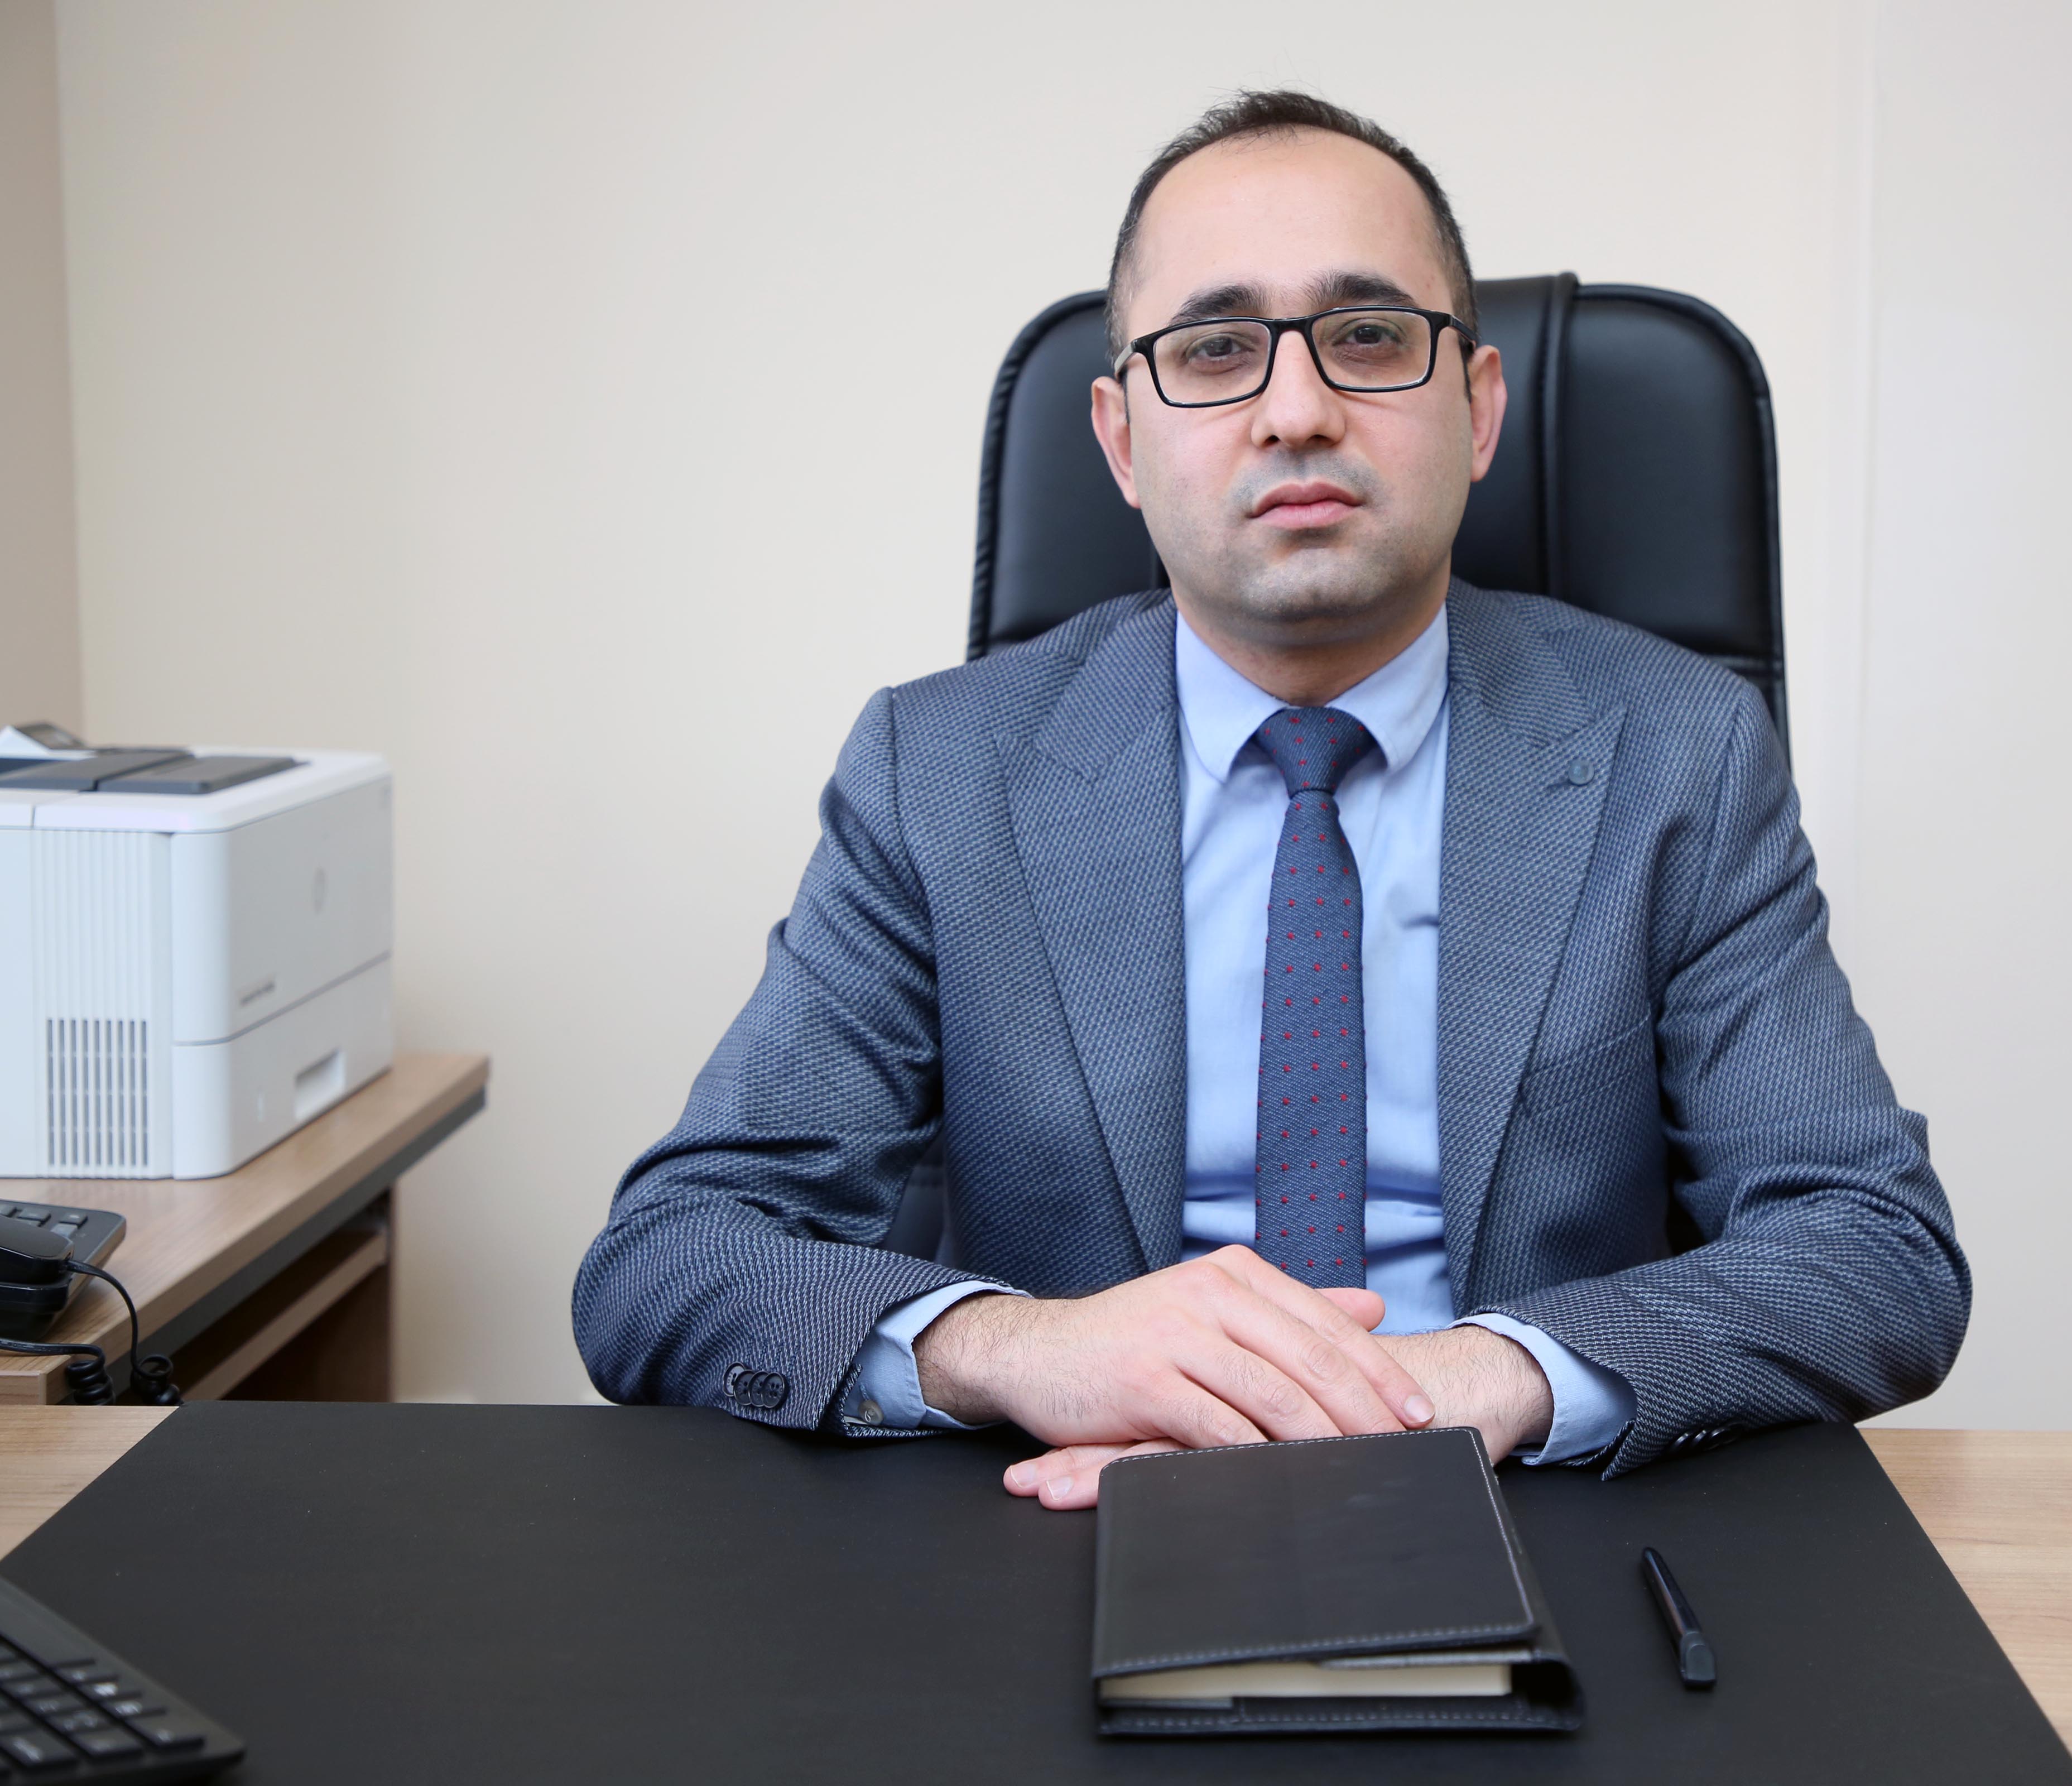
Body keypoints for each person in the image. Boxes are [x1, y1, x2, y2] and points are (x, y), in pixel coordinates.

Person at [573, 90, 1968, 1510]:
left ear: (1480, 408)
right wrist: (1025, 1351)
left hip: (1528, 1507)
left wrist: (1473, 1382)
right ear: (1122, 442)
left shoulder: (1680, 755)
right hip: (1067, 1515)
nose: (1296, 412)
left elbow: (1874, 1246)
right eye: (1215, 350)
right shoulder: (936, 775)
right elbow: (672, 1257)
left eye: (1368, 337)